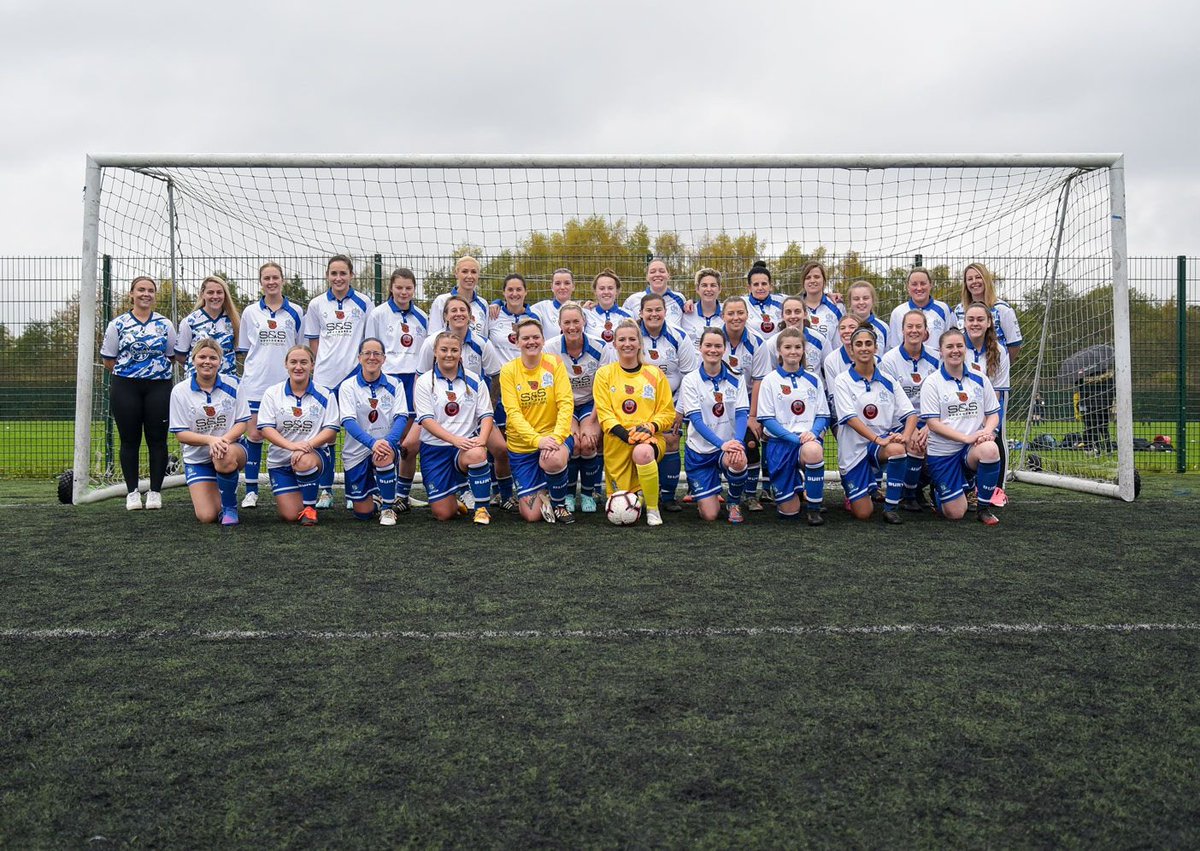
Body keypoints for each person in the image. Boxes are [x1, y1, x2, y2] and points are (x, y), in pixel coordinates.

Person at [412, 294, 510, 509]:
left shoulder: (482, 344)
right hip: (437, 408)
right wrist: (421, 411)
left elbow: (495, 377)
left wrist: (487, 412)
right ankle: (400, 495)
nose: (458, 314)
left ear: (470, 316)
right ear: (445, 316)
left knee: (500, 449)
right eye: (453, 310)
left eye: (462, 310)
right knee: (409, 445)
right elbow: (420, 376)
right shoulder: (432, 342)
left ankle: (504, 495)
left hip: (472, 407)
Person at [304, 254, 375, 508]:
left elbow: (368, 342)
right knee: (327, 435)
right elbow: (314, 342)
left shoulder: (364, 302)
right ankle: (325, 490)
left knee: (357, 434)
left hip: (354, 378)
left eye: (343, 273)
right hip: (325, 378)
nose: (338, 278)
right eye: (333, 273)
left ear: (351, 275)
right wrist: (319, 371)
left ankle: (355, 489)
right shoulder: (316, 304)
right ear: (327, 276)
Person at [101, 275, 177, 511]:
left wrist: (151, 373)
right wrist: (132, 373)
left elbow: (172, 356)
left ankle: (155, 492)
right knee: (129, 440)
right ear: (132, 294)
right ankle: (132, 492)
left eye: (150, 290)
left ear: (155, 295)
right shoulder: (118, 324)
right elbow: (109, 359)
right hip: (126, 387)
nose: (146, 294)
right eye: (141, 290)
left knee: (157, 439)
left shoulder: (165, 324)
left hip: (158, 387)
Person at [592, 320, 677, 527]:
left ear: (640, 343)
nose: (627, 344)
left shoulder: (655, 374)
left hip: (650, 439)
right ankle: (634, 493)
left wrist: (650, 427)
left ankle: (653, 509)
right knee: (622, 497)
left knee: (643, 452)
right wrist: (625, 434)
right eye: (622, 339)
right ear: (614, 343)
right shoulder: (604, 374)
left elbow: (667, 412)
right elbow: (604, 413)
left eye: (632, 339)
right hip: (617, 442)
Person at [236, 262, 305, 509]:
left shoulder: (296, 311)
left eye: (275, 277)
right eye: (267, 278)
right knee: (254, 434)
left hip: (286, 385)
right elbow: (245, 349)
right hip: (255, 383)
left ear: (282, 280)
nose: (271, 282)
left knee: (287, 433)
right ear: (261, 282)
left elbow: (299, 349)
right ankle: (251, 490)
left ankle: (292, 485)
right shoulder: (250, 312)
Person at [832, 326, 917, 524]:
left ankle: (891, 508)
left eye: (868, 343)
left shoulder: (888, 380)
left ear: (876, 348)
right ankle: (865, 485)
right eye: (859, 344)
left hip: (878, 447)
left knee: (897, 449)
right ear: (851, 350)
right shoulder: (842, 381)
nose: (864, 348)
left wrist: (905, 435)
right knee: (863, 514)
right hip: (853, 451)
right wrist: (878, 438)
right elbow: (851, 419)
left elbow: (911, 414)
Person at [920, 327, 1003, 525]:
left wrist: (986, 432)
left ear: (965, 349)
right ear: (941, 351)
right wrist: (966, 437)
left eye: (959, 345)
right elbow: (932, 423)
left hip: (971, 448)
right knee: (955, 513)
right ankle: (938, 489)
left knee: (991, 449)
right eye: (949, 346)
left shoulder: (979, 378)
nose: (955, 350)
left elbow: (993, 414)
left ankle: (983, 509)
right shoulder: (932, 383)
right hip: (943, 453)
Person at [412, 332, 496, 524]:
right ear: (435, 352)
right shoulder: (424, 381)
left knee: (477, 454)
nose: (449, 354)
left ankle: (482, 509)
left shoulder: (475, 380)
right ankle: (454, 499)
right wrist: (454, 440)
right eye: (444, 350)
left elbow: (486, 415)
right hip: (434, 450)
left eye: (454, 350)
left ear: (461, 354)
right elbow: (426, 420)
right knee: (444, 514)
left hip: (464, 447)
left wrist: (482, 440)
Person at [364, 268, 428, 514]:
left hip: (413, 381)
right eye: (399, 287)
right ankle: (380, 492)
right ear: (391, 288)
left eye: (408, 288)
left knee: (408, 443)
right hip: (386, 381)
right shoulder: (378, 314)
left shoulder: (421, 316)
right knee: (383, 435)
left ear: (414, 289)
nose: (403, 292)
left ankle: (402, 494)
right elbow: (371, 349)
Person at [499, 318, 576, 523]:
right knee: (532, 515)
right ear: (517, 341)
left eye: (536, 337)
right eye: (525, 338)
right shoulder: (508, 370)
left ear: (543, 340)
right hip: (523, 446)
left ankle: (559, 504)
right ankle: (546, 488)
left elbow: (566, 403)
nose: (531, 342)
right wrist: (537, 440)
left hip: (553, 438)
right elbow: (513, 413)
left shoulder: (554, 363)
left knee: (552, 458)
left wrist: (556, 437)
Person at [257, 345, 340, 526]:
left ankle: (310, 508)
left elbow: (331, 429)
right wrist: (291, 446)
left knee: (303, 461)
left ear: (312, 365)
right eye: (293, 362)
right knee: (290, 515)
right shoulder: (272, 393)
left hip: (313, 456)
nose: (298, 367)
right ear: (286, 364)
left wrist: (306, 445)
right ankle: (302, 494)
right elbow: (266, 429)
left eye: (304, 362)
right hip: (280, 461)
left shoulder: (325, 394)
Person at [168, 339, 249, 525]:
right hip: (197, 458)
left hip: (232, 448)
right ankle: (220, 488)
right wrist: (210, 440)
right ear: (193, 359)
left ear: (220, 361)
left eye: (213, 358)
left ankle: (230, 509)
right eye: (202, 357)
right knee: (207, 516)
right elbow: (181, 434)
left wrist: (222, 441)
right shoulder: (180, 391)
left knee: (223, 455)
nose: (207, 361)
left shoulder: (235, 384)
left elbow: (242, 424)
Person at [757, 328, 831, 525]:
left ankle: (814, 509)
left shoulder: (814, 379)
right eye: (787, 347)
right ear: (779, 351)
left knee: (814, 451)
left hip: (807, 441)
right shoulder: (769, 380)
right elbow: (767, 420)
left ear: (803, 350)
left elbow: (823, 414)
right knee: (788, 513)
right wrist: (794, 438)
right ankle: (797, 486)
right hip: (781, 444)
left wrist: (813, 434)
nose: (793, 351)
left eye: (797, 347)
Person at [632, 292, 697, 511]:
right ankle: (640, 491)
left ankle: (668, 496)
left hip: (672, 400)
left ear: (665, 312)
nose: (653, 314)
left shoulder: (679, 337)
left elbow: (689, 376)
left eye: (658, 309)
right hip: (638, 403)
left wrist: (678, 409)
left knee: (670, 440)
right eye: (648, 310)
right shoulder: (632, 336)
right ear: (641, 313)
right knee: (639, 443)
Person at [678, 328, 750, 523]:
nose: (713, 350)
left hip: (726, 447)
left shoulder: (737, 378)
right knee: (709, 515)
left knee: (739, 458)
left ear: (724, 348)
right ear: (700, 348)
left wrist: (737, 442)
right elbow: (696, 420)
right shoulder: (690, 380)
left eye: (718, 346)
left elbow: (742, 413)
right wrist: (722, 444)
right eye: (708, 345)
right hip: (700, 452)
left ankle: (734, 502)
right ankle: (708, 492)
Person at [336, 338, 410, 526]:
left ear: (384, 359)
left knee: (383, 455)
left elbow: (401, 417)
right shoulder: (348, 386)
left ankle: (387, 508)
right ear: (359, 357)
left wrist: (387, 442)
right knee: (363, 512)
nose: (372, 357)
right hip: (357, 451)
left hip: (384, 447)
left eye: (377, 353)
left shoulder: (395, 384)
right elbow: (348, 421)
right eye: (367, 353)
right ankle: (376, 497)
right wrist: (372, 443)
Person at [544, 302, 605, 513]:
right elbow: (550, 388)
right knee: (572, 442)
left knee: (588, 442)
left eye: (576, 321)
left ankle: (588, 494)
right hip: (562, 405)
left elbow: (603, 389)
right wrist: (567, 419)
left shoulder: (600, 347)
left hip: (591, 403)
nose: (572, 327)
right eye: (567, 322)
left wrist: (591, 421)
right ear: (560, 325)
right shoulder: (550, 349)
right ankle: (569, 494)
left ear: (584, 322)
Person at [880, 310, 939, 510]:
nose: (914, 330)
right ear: (902, 330)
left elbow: (942, 395)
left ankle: (934, 488)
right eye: (910, 326)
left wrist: (930, 426)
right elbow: (889, 401)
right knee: (914, 443)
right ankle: (910, 494)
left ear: (925, 331)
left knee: (936, 442)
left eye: (918, 327)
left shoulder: (937, 358)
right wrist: (910, 428)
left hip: (931, 419)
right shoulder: (889, 360)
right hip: (900, 420)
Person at [720, 297, 766, 509]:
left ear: (747, 315)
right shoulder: (714, 339)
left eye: (740, 313)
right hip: (719, 400)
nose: (736, 317)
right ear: (723, 316)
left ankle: (749, 494)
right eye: (731, 313)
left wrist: (753, 416)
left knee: (750, 441)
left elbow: (758, 380)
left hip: (747, 401)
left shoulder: (757, 342)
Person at [963, 301, 1011, 493]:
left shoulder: (1000, 351)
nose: (975, 323)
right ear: (964, 323)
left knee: (991, 441)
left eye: (980, 319)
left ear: (989, 322)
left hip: (987, 415)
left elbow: (997, 396)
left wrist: (988, 428)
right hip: (960, 413)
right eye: (971, 319)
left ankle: (994, 490)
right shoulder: (956, 346)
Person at [954, 262, 1023, 359]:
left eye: (978, 277)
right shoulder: (959, 309)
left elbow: (1014, 344)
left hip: (994, 368)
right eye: (970, 279)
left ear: (986, 280)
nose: (974, 281)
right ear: (966, 284)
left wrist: (1001, 366)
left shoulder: (1002, 309)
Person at [176, 275, 240, 377]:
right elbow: (180, 356)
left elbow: (239, 352)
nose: (215, 296)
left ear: (225, 295)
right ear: (202, 294)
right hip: (197, 382)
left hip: (226, 383)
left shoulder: (234, 322)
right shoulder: (190, 321)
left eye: (219, 292)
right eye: (210, 292)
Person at [888, 267, 950, 356]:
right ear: (908, 287)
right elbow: (894, 346)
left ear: (931, 284)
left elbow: (951, 339)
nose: (919, 288)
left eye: (923, 283)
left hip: (936, 365)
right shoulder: (898, 313)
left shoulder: (944, 309)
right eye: (914, 284)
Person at [428, 255, 490, 337]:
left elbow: (484, 338)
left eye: (474, 272)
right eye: (464, 271)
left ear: (478, 275)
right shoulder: (442, 301)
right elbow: (433, 336)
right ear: (456, 274)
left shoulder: (483, 304)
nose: (469, 276)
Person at [488, 273, 539, 363]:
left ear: (525, 292)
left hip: (525, 374)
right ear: (504, 292)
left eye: (519, 289)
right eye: (510, 290)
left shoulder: (534, 319)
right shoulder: (493, 314)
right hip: (498, 374)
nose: (514, 294)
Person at [622, 258, 688, 327]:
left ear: (668, 276)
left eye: (662, 271)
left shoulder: (679, 298)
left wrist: (692, 301)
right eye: (652, 272)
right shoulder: (633, 300)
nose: (657, 274)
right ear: (647, 277)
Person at [797, 260, 844, 348]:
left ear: (824, 280)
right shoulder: (794, 306)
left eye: (817, 277)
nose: (812, 280)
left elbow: (840, 342)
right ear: (803, 282)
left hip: (828, 360)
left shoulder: (837, 307)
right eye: (808, 278)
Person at [680, 267, 724, 352]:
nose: (708, 289)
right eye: (704, 285)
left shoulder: (728, 314)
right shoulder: (686, 313)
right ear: (697, 289)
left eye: (713, 285)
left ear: (719, 289)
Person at [585, 268, 633, 344]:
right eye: (602, 288)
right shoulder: (586, 314)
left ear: (617, 291)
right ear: (595, 291)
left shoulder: (628, 315)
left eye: (610, 288)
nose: (606, 292)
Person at [845, 280, 891, 352]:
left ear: (873, 300)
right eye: (856, 299)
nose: (861, 302)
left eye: (865, 298)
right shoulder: (844, 328)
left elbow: (887, 356)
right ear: (850, 302)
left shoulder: (883, 328)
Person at [530, 268, 577, 338]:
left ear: (573, 286)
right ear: (551, 287)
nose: (562, 287)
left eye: (567, 283)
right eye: (558, 283)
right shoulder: (542, 308)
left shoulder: (581, 310)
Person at [744, 260, 784, 337]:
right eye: (756, 284)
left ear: (770, 286)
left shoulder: (783, 301)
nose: (760, 288)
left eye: (764, 284)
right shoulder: (742, 304)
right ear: (749, 287)